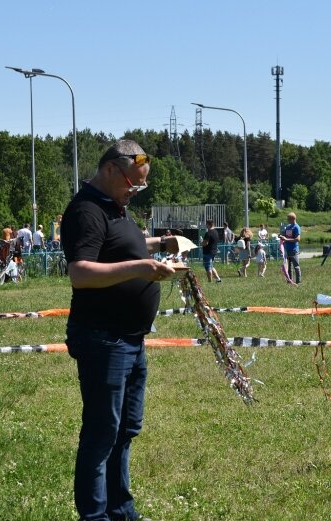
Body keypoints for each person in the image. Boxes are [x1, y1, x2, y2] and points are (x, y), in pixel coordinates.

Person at [61, 140, 177, 521]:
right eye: (133, 182)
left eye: (140, 185)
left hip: (129, 339)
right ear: (111, 169)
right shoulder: (86, 210)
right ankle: (95, 516)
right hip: (103, 339)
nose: (135, 190)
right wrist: (141, 269)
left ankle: (121, 511)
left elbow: (119, 245)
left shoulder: (115, 207)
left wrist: (158, 242)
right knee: (101, 435)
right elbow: (80, 272)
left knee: (125, 430)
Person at [280, 212, 301, 284]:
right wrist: (280, 236)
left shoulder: (296, 227)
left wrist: (286, 239)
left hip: (294, 250)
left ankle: (298, 282)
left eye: (288, 219)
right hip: (287, 250)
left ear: (293, 219)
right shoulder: (288, 226)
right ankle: (290, 281)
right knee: (288, 267)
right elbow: (284, 234)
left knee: (296, 267)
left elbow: (298, 239)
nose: (287, 220)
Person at [201, 219, 222, 283]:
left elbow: (205, 243)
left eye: (206, 224)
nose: (206, 225)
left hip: (208, 252)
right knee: (211, 266)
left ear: (208, 224)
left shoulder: (208, 233)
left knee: (208, 268)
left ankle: (209, 282)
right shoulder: (216, 232)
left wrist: (201, 242)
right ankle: (218, 279)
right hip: (214, 252)